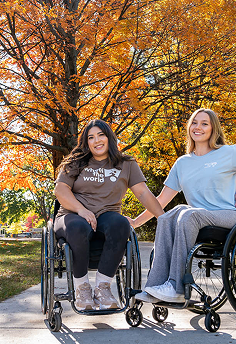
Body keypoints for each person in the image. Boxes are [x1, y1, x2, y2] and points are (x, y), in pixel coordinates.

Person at [127, 108, 236, 303]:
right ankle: (154, 286)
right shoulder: (182, 163)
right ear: (189, 127)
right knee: (167, 215)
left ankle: (176, 288)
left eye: (204, 123)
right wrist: (136, 222)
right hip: (199, 217)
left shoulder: (228, 153)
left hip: (232, 215)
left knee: (188, 213)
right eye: (194, 122)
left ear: (213, 129)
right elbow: (161, 201)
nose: (198, 127)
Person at [54, 119, 164, 311]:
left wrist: (163, 218)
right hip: (72, 215)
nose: (96, 140)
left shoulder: (126, 164)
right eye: (91, 137)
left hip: (107, 214)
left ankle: (102, 288)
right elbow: (61, 191)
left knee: (121, 223)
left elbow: (143, 193)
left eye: (101, 135)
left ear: (109, 137)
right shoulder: (76, 161)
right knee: (78, 226)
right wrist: (81, 210)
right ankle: (82, 289)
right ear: (86, 142)